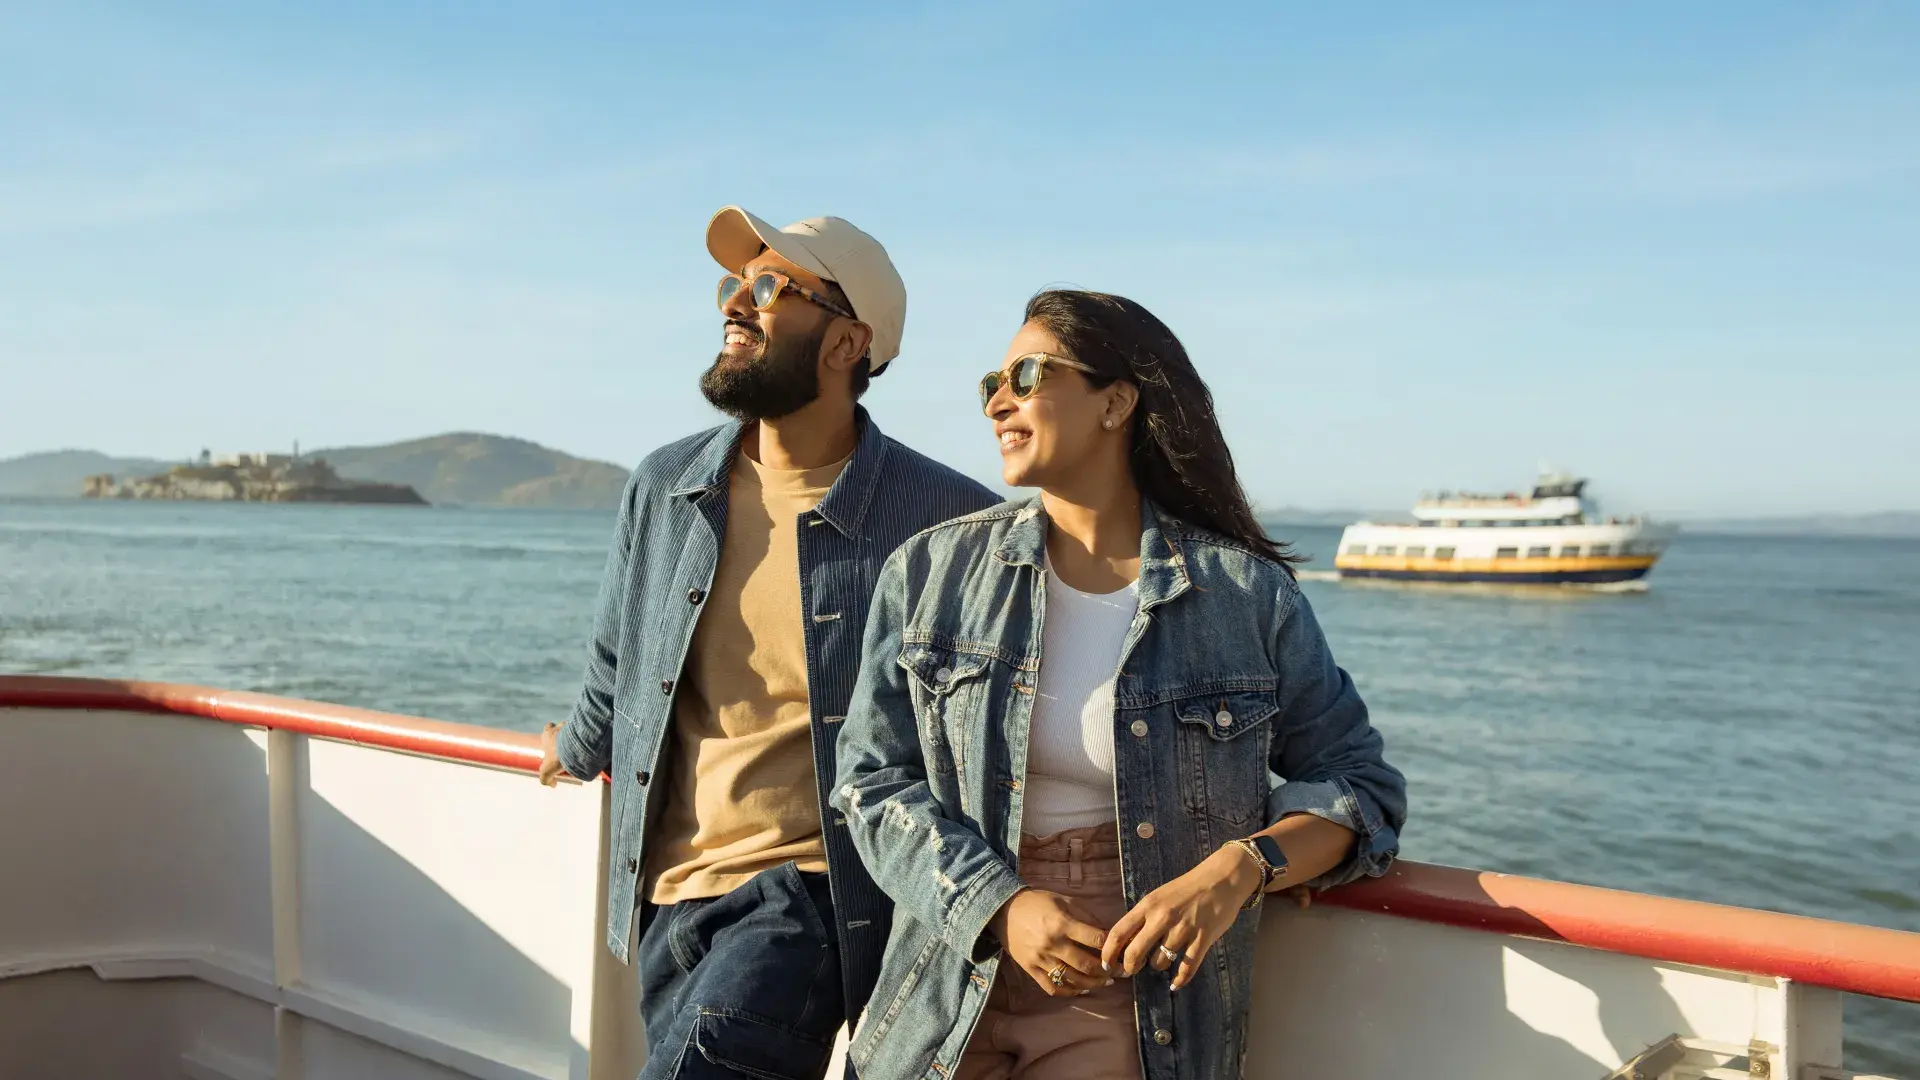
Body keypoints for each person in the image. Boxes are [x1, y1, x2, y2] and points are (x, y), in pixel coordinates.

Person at [831, 289, 1407, 1080]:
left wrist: (1240, 869)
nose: (998, 400)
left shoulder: (1243, 596)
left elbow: (1358, 785)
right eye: (991, 384)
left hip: (1134, 984)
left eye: (1028, 375)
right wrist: (999, 905)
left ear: (1116, 402)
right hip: (946, 971)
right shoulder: (931, 572)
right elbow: (869, 781)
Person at [540, 206, 999, 1079]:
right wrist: (576, 745)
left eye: (766, 287)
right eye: (732, 284)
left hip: (811, 895)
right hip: (667, 892)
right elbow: (619, 660)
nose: (733, 304)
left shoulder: (949, 519)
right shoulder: (668, 484)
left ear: (848, 341)